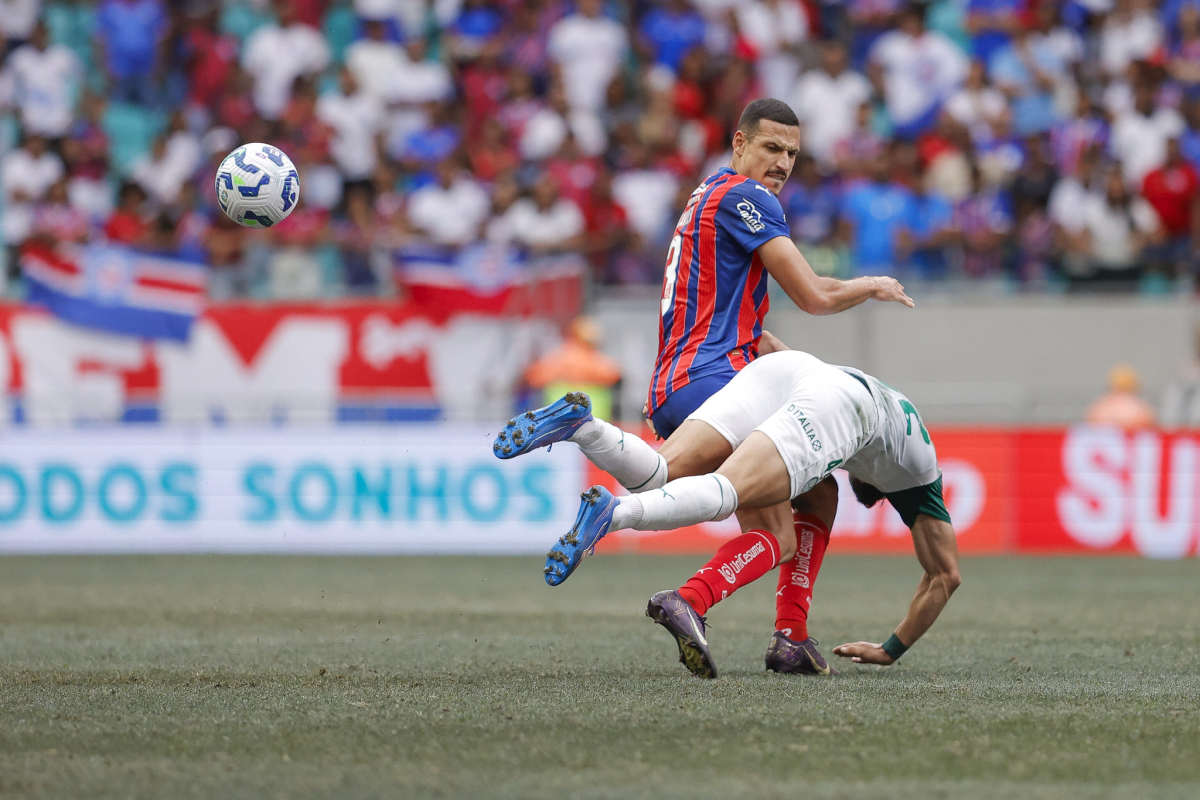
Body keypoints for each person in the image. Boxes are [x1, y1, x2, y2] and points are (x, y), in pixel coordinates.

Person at [495, 98, 914, 676]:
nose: (783, 163)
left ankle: (788, 636)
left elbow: (750, 328)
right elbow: (814, 296)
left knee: (809, 494)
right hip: (718, 379)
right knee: (775, 533)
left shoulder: (706, 196)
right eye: (771, 147)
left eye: (793, 153)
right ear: (738, 143)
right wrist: (871, 284)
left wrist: (799, 376)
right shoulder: (749, 199)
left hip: (678, 381)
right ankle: (692, 594)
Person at [536, 349, 961, 679]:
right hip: (838, 404)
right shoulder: (916, 475)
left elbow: (780, 351)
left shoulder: (893, 411)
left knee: (661, 471)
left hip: (785, 369)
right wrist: (890, 649)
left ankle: (586, 429)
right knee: (737, 497)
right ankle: (618, 518)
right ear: (883, 488)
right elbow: (945, 576)